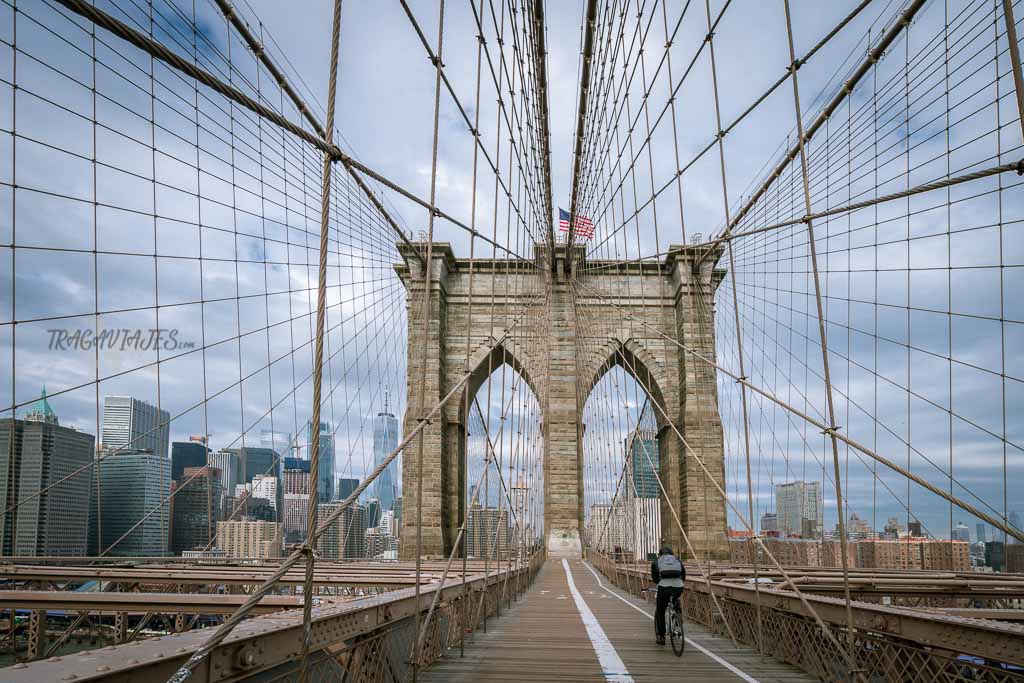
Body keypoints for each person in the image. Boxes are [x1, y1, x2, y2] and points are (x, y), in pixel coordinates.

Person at [651, 545, 685, 645]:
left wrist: (660, 583)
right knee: (675, 601)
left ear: (660, 553)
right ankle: (678, 617)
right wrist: (679, 583)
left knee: (660, 610)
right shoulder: (677, 560)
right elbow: (683, 575)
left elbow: (655, 578)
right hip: (678, 587)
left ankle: (661, 637)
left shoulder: (657, 561)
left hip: (664, 587)